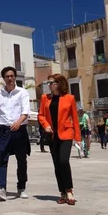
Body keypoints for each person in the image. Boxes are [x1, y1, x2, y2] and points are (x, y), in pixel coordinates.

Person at [38, 74, 81, 206]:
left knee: (63, 161)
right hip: (52, 135)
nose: (49, 85)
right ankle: (62, 192)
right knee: (57, 164)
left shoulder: (70, 98)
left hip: (66, 134)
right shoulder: (45, 98)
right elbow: (41, 115)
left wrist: (78, 138)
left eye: (52, 82)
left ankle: (69, 190)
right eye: (48, 82)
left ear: (59, 84)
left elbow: (75, 118)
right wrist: (46, 125)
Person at [0, 66, 31, 202]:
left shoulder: (22, 92)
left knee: (21, 160)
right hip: (4, 130)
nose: (10, 78)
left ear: (15, 77)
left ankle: (21, 188)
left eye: (12, 76)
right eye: (7, 76)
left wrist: (18, 122)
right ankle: (1, 188)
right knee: (2, 159)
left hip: (19, 129)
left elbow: (25, 112)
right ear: (4, 78)